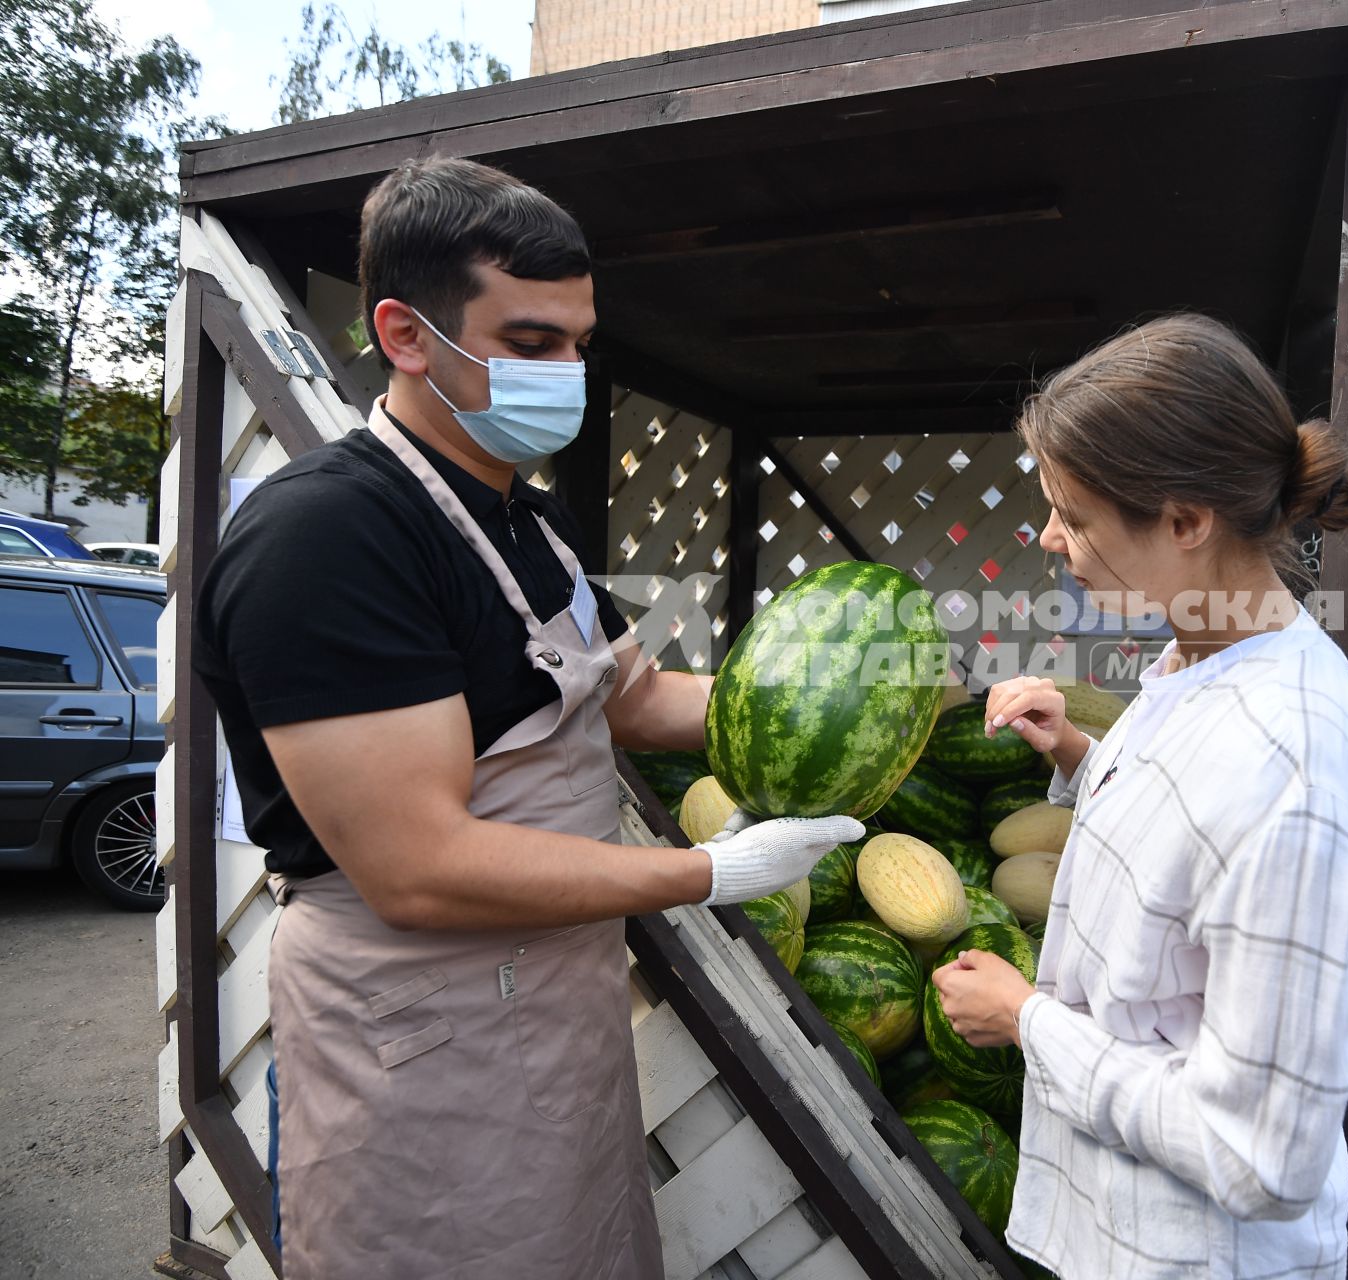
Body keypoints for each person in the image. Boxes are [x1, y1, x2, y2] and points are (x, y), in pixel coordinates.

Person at [193, 157, 858, 1278]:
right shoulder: (329, 539)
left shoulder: (527, 520)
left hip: (551, 1003)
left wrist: (868, 691)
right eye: (534, 342)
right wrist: (709, 872)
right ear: (405, 334)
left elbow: (635, 701)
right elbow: (418, 865)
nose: (571, 373)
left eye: (580, 342)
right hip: (416, 1036)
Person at [931, 314, 1348, 1278]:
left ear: (1186, 522)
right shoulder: (1207, 653)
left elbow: (1264, 1157)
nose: (1051, 539)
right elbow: (1188, 845)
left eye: (1075, 515)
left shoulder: (1288, 763)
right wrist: (1082, 755)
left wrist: (1027, 1023)